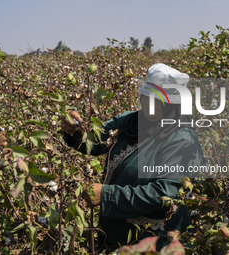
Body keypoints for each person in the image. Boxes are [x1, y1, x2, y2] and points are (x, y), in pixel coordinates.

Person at [61, 63, 203, 252]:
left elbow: (166, 193)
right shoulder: (130, 122)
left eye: (156, 100)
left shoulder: (183, 139)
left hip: (155, 245)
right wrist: (73, 129)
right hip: (115, 240)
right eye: (145, 96)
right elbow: (93, 142)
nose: (147, 104)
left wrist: (106, 195)